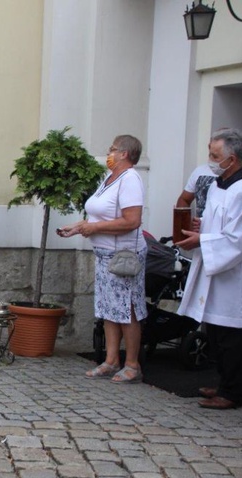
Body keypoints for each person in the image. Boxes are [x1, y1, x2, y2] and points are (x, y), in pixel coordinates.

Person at [176, 128, 242, 410]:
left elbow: (240, 238)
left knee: (234, 337)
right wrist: (202, 228)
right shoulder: (221, 186)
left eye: (214, 155)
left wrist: (202, 239)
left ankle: (234, 392)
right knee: (217, 333)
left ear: (232, 160)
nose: (210, 160)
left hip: (238, 277)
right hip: (218, 272)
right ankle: (223, 383)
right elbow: (219, 225)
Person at [58, 135, 147, 383]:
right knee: (109, 308)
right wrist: (80, 226)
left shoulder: (130, 180)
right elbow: (99, 214)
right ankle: (110, 360)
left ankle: (132, 364)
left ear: (125, 154)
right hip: (105, 254)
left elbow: (132, 221)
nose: (109, 152)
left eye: (113, 149)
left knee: (126, 308)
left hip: (123, 256)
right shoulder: (110, 179)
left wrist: (95, 229)